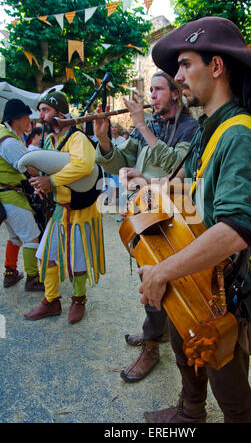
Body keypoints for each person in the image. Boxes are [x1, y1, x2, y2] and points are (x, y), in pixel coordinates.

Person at [136, 16, 251, 423]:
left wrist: (162, 271)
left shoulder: (239, 135)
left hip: (223, 292)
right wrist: (150, 189)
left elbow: (237, 228)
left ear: (216, 67)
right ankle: (190, 412)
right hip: (195, 275)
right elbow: (191, 192)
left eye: (184, 64)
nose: (177, 76)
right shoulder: (208, 129)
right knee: (185, 351)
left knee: (229, 387)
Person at [94, 71, 198, 383]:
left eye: (157, 90)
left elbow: (176, 168)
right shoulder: (151, 126)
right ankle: (158, 331)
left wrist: (139, 124)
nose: (151, 95)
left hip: (171, 218)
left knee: (157, 279)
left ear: (176, 94)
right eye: (150, 90)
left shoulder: (191, 128)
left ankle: (152, 345)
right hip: (142, 212)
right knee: (147, 276)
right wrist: (102, 138)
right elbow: (118, 162)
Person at [24, 90, 105, 324]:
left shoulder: (78, 138)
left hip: (80, 210)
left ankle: (79, 299)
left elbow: (83, 165)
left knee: (77, 260)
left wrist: (51, 181)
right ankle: (52, 300)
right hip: (59, 209)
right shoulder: (50, 140)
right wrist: (40, 181)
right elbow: (48, 166)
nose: (41, 115)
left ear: (59, 113)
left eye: (45, 110)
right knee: (46, 256)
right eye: (40, 110)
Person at [0, 99, 44, 291]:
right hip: (10, 194)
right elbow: (31, 169)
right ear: (16, 119)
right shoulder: (9, 141)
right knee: (31, 236)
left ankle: (10, 272)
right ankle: (32, 278)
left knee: (15, 236)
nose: (29, 120)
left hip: (6, 195)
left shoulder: (6, 135)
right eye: (26, 117)